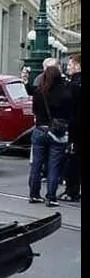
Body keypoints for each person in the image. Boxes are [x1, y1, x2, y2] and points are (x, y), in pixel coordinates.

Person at [28, 65, 72, 207]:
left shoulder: (39, 91)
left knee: (37, 163)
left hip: (40, 130)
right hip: (57, 132)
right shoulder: (65, 92)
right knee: (54, 165)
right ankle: (51, 197)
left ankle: (34, 194)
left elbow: (34, 110)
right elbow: (68, 113)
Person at [59, 54, 81, 202]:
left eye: (71, 65)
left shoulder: (74, 84)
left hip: (75, 128)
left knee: (73, 159)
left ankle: (71, 191)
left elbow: (68, 106)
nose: (68, 67)